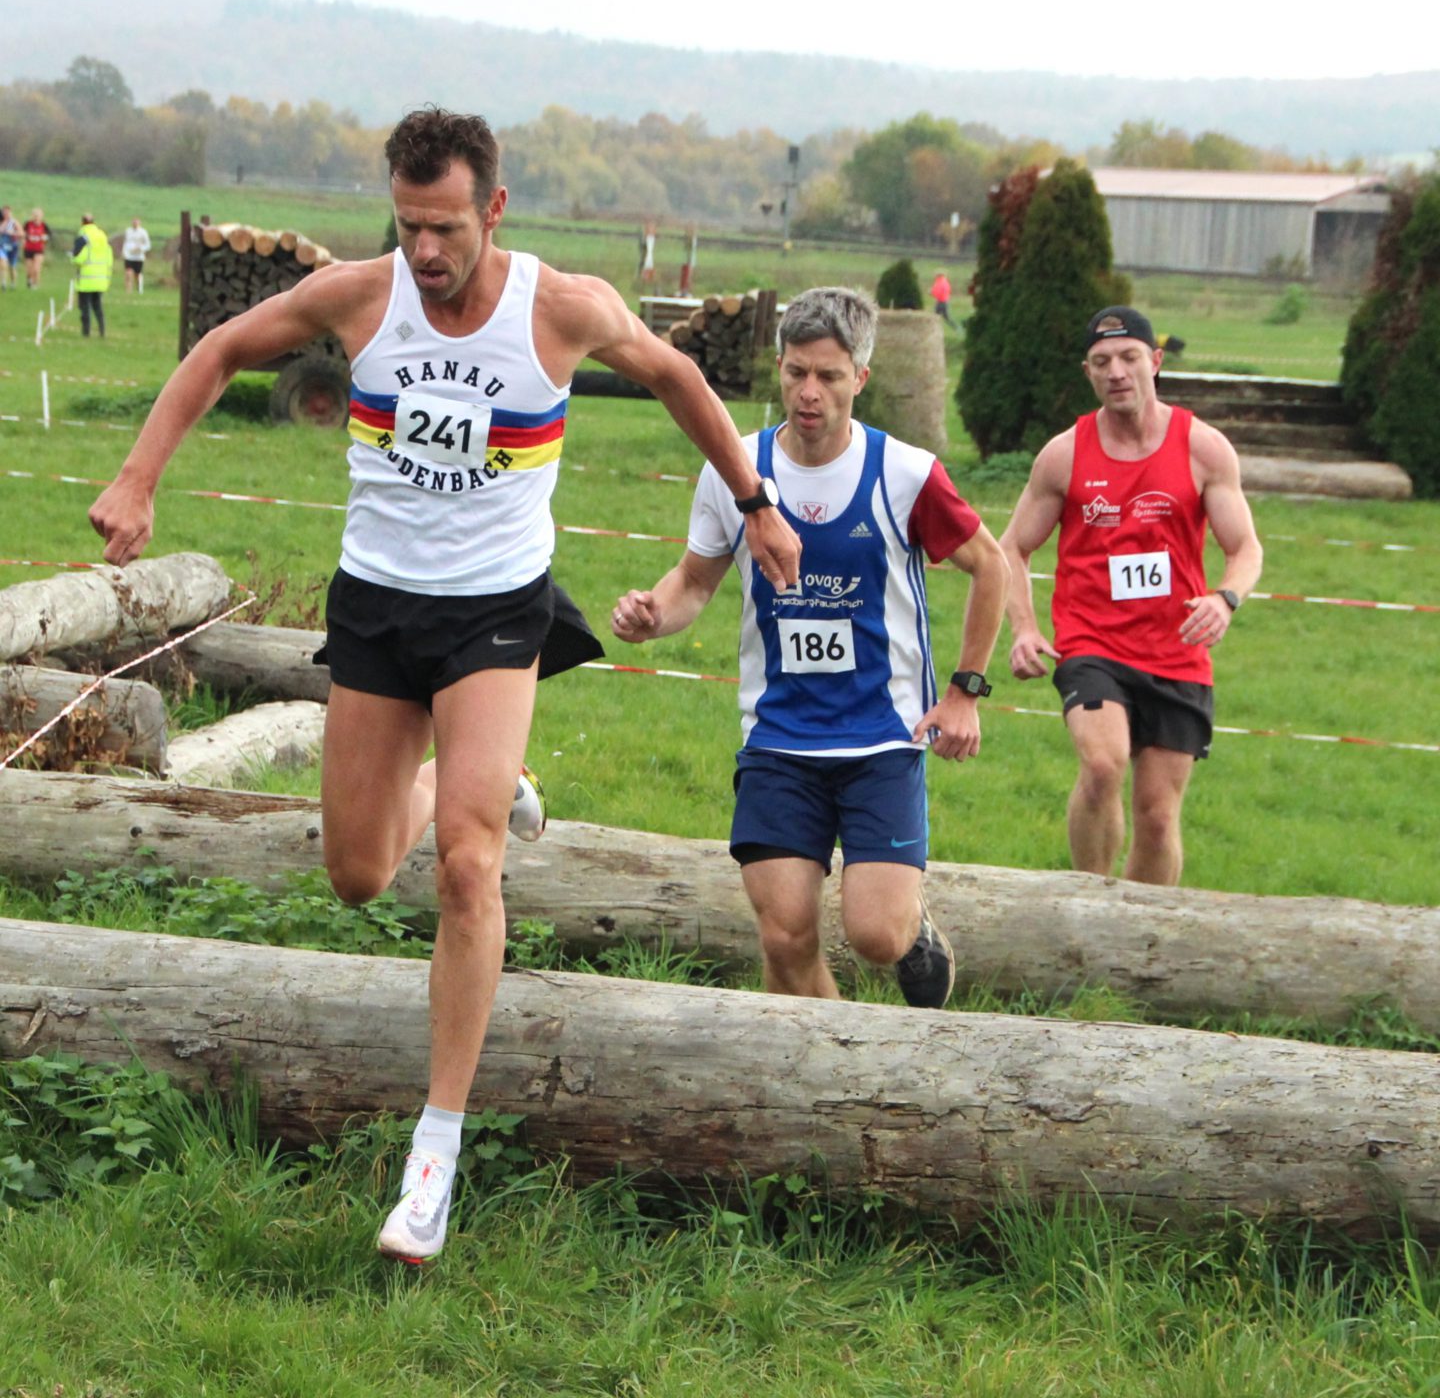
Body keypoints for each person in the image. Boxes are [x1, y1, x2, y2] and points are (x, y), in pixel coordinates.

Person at [87, 106, 801, 1265]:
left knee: (471, 865)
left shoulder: (557, 308)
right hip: (377, 608)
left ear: (495, 211)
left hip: (495, 614)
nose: (426, 251)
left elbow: (674, 375)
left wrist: (758, 508)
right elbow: (220, 348)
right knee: (360, 873)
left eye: (447, 228)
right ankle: (488, 782)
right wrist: (137, 478)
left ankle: (435, 1151)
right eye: (410, 224)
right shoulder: (362, 296)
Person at [612, 286, 1008, 1009]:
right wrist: (651, 612)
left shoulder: (905, 474)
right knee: (785, 936)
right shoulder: (737, 470)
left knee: (875, 936)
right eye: (796, 372)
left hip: (881, 738)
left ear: (861, 377)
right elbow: (694, 582)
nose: (809, 392)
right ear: (778, 368)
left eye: (828, 376)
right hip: (779, 738)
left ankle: (915, 931)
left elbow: (993, 566)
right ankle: (834, 1074)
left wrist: (964, 692)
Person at [998, 305, 1263, 886]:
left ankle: (1144, 942)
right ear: (1088, 373)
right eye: (1102, 362)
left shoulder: (1205, 449)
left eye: (1128, 357)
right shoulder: (1065, 455)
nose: (1116, 371)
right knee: (1101, 763)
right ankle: (1089, 907)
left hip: (1177, 654)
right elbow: (1010, 549)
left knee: (1159, 818)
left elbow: (1245, 548)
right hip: (1093, 646)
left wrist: (1226, 599)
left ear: (1155, 361)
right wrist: (1023, 627)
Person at [71, 214, 113, 337]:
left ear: (82, 223)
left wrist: (72, 259)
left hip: (86, 280)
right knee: (98, 307)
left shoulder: (84, 237)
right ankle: (102, 331)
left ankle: (86, 332)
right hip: (101, 279)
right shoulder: (102, 236)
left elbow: (79, 258)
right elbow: (108, 255)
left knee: (85, 308)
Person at [121, 217, 151, 294]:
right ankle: (128, 291)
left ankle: (139, 289)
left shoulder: (143, 232)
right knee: (128, 273)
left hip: (138, 257)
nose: (134, 224)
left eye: (136, 222)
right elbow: (126, 242)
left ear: (139, 223)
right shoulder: (128, 231)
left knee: (138, 274)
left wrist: (140, 248)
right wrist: (124, 251)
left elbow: (148, 245)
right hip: (129, 256)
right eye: (133, 222)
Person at [23, 208, 52, 288]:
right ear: (32, 216)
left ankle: (35, 285)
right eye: (35, 215)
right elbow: (23, 234)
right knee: (29, 270)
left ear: (41, 216)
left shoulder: (44, 225)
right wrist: (28, 237)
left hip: (39, 250)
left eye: (38, 215)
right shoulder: (28, 224)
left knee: (36, 268)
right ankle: (29, 280)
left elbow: (49, 235)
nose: (36, 217)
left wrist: (45, 238)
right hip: (28, 249)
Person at [0, 206, 20, 290]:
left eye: (8, 212)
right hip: (2, 246)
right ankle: (3, 282)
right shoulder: (1, 222)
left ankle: (13, 283)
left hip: (13, 246)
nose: (6, 214)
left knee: (12, 267)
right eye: (4, 212)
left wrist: (13, 233)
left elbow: (21, 233)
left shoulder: (14, 222)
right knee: (3, 264)